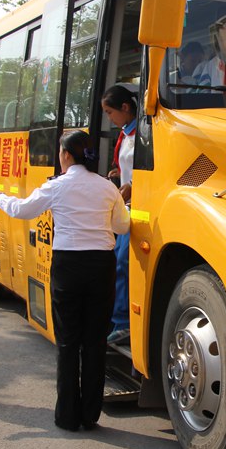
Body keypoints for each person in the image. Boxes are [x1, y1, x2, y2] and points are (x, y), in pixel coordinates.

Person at [0, 130, 129, 431]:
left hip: (68, 267)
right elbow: (121, 226)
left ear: (66, 155)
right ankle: (90, 414)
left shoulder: (57, 186)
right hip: (101, 266)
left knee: (68, 343)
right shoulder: (107, 187)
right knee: (95, 342)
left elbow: (23, 210)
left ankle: (67, 417)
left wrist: (0, 198)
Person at [102, 85, 136, 345]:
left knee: (122, 263)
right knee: (118, 261)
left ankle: (124, 322)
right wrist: (119, 174)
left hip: (136, 207)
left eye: (110, 111)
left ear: (125, 108)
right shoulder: (126, 133)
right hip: (125, 206)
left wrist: (133, 186)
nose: (108, 118)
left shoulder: (142, 134)